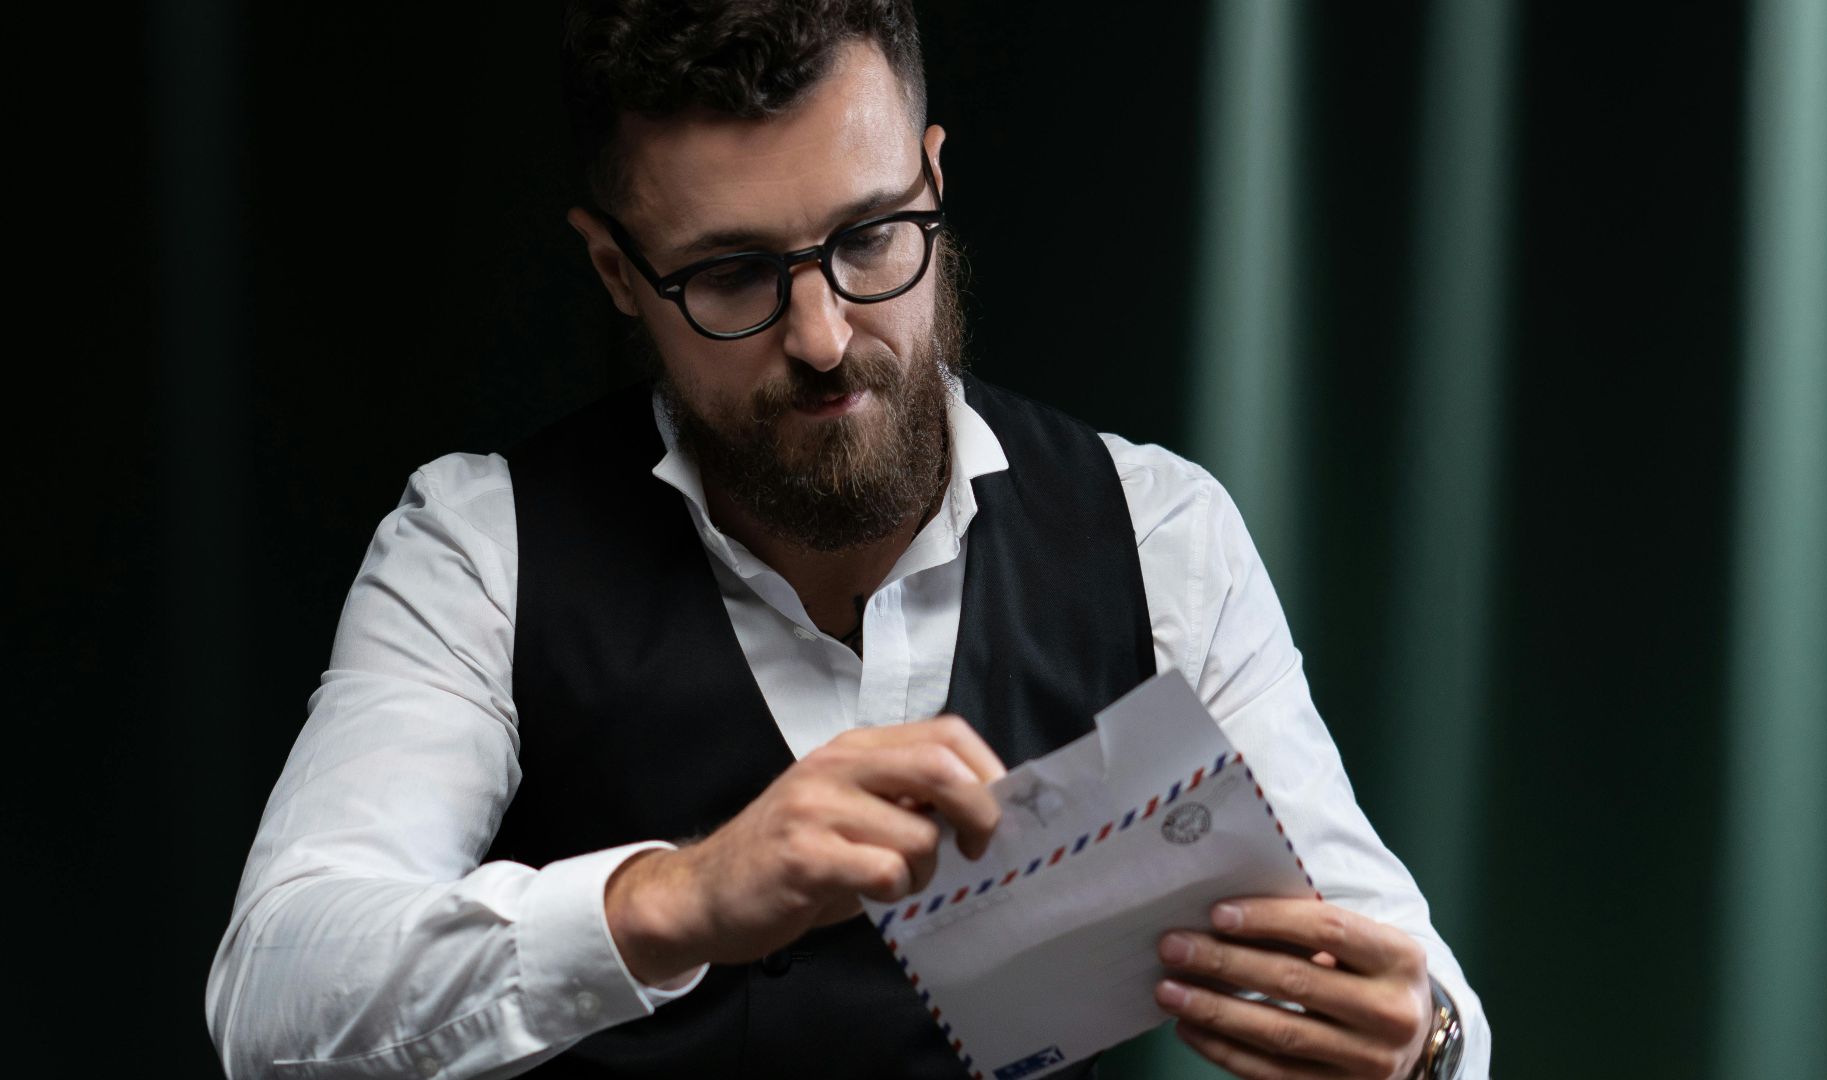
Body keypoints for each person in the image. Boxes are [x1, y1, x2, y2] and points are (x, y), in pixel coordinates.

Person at [205, 2, 1489, 1078]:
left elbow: (1410, 981)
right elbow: (272, 992)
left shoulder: (1160, 532)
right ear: (614, 272)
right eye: (731, 276)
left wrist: (1416, 1042)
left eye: (871, 238)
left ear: (934, 181)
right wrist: (679, 900)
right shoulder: (482, 547)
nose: (820, 334)